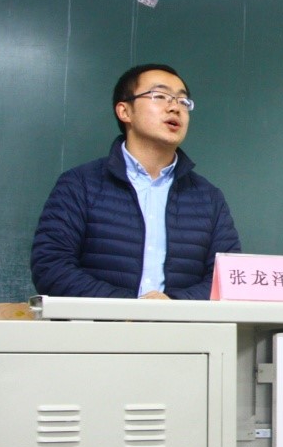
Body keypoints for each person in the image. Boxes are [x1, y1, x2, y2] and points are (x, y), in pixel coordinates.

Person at [31, 63, 241, 299]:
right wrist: (130, 308)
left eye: (183, 101)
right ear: (125, 111)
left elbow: (226, 279)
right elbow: (51, 267)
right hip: (98, 322)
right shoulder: (79, 184)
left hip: (180, 323)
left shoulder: (208, 198)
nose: (175, 107)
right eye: (159, 96)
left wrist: (173, 307)